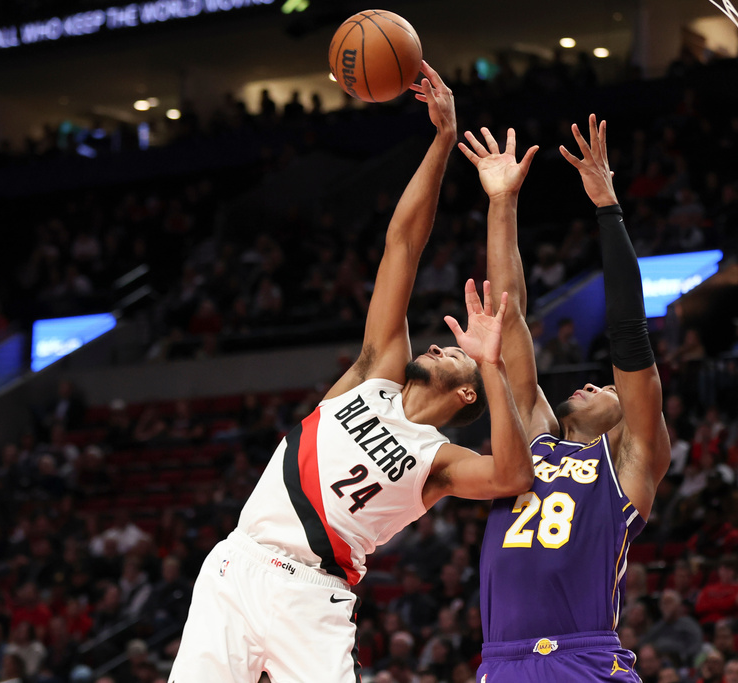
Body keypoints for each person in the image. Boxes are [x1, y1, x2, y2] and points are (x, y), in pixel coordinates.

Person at [168, 63, 534, 683]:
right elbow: (402, 245)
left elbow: (512, 474)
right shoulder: (375, 375)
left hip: (313, 599)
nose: (446, 343)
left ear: (466, 391)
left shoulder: (440, 462)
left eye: (459, 355)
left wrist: (493, 363)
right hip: (238, 565)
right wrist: (442, 140)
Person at [459, 116, 671, 681]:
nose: (592, 384)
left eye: (607, 387)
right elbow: (510, 315)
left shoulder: (629, 464)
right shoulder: (533, 443)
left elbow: (630, 337)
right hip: (502, 663)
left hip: (584, 658)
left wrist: (607, 206)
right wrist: (502, 202)